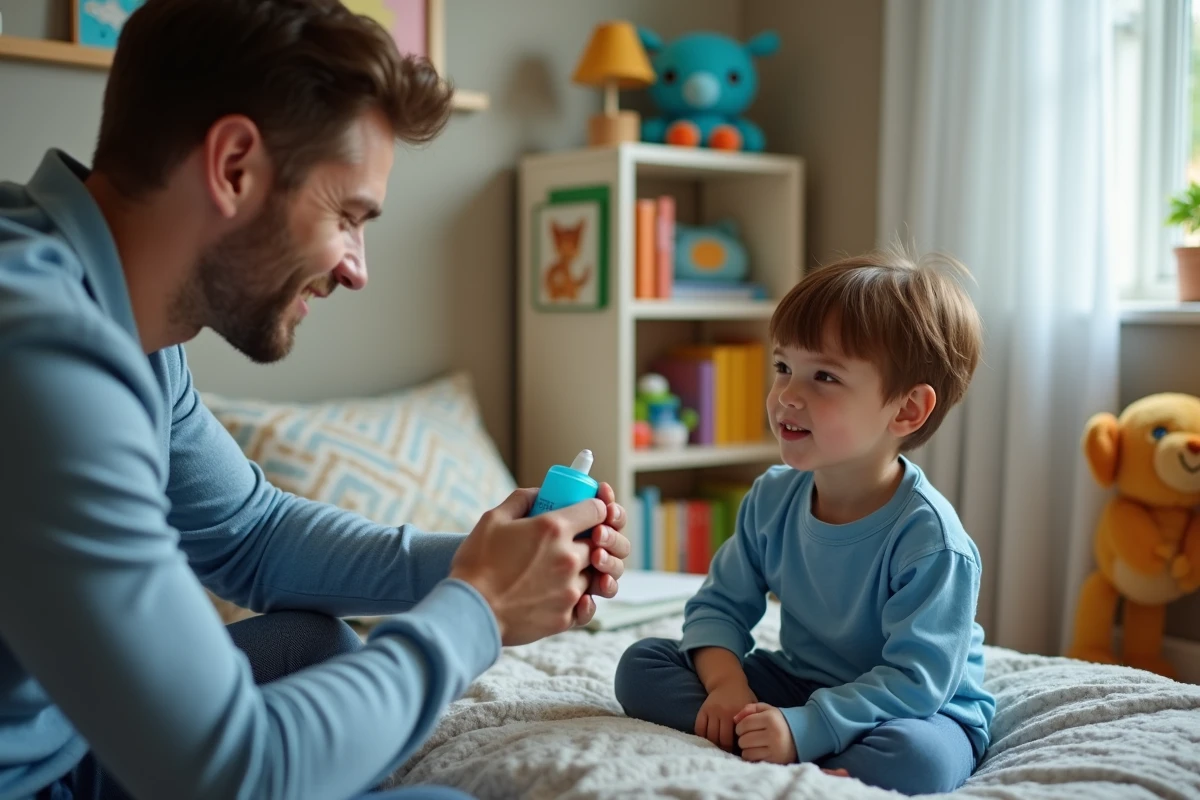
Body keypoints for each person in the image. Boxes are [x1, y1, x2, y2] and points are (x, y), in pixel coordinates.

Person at [0, 2, 630, 799]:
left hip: (61, 743)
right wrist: (479, 610)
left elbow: (252, 538)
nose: (358, 267)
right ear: (233, 165)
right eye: (347, 216)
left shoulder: (115, 312)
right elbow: (234, 770)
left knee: (313, 642)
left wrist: (490, 557)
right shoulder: (41, 351)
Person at [614, 250, 997, 795]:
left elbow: (917, 680)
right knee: (641, 665)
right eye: (783, 367)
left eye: (824, 376)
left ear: (907, 411)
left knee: (920, 761)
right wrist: (727, 689)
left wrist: (805, 727)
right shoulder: (772, 497)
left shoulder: (931, 540)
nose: (787, 396)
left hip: (911, 708)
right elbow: (720, 606)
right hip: (800, 681)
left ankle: (795, 750)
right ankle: (770, 738)